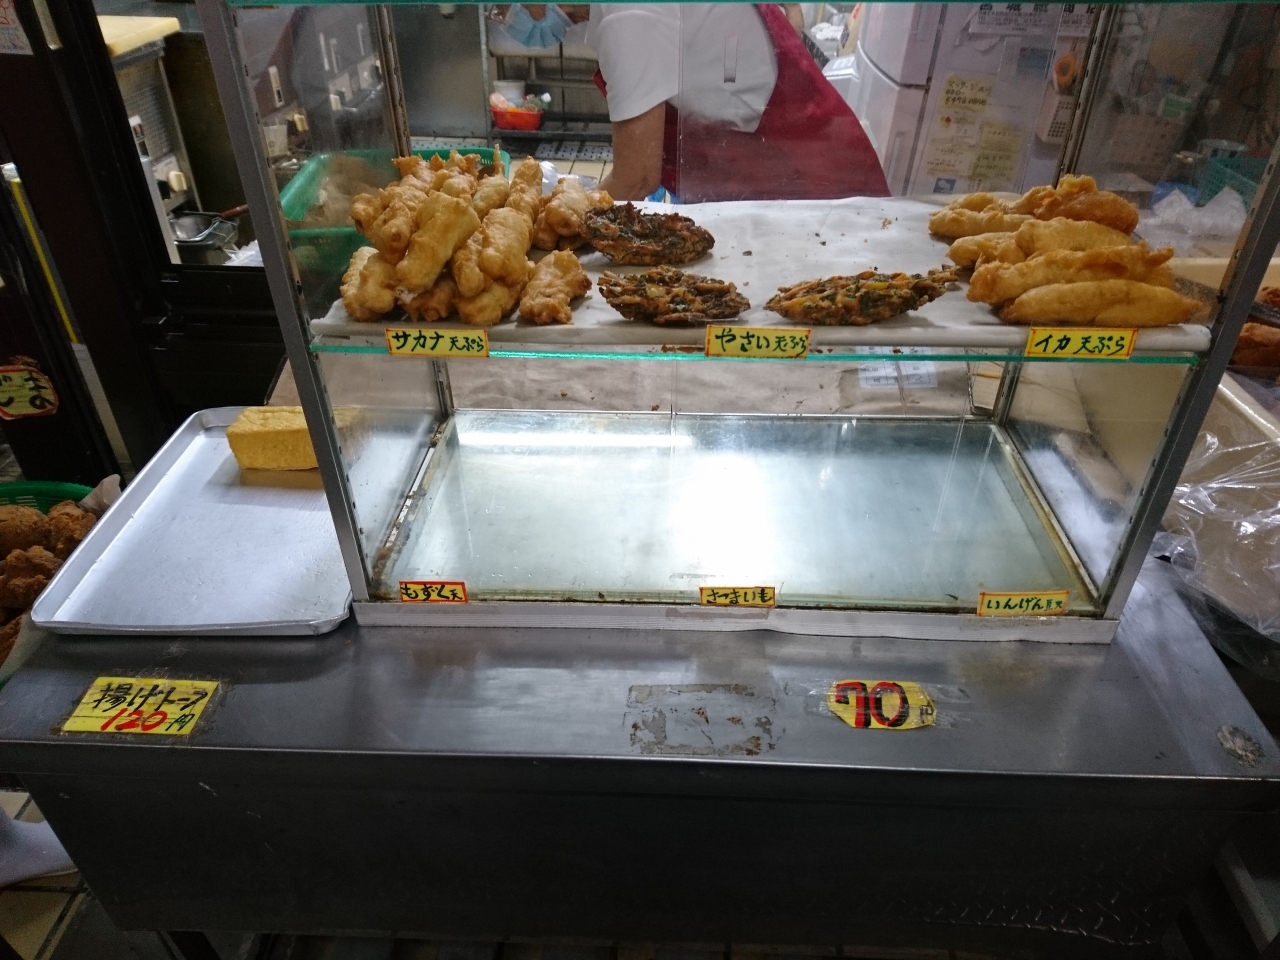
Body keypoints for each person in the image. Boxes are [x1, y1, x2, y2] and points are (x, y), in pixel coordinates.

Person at [587, 3, 890, 202]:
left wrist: (567, 222)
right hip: (745, 164)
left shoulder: (628, 13)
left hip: (803, 182)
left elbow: (636, 179)